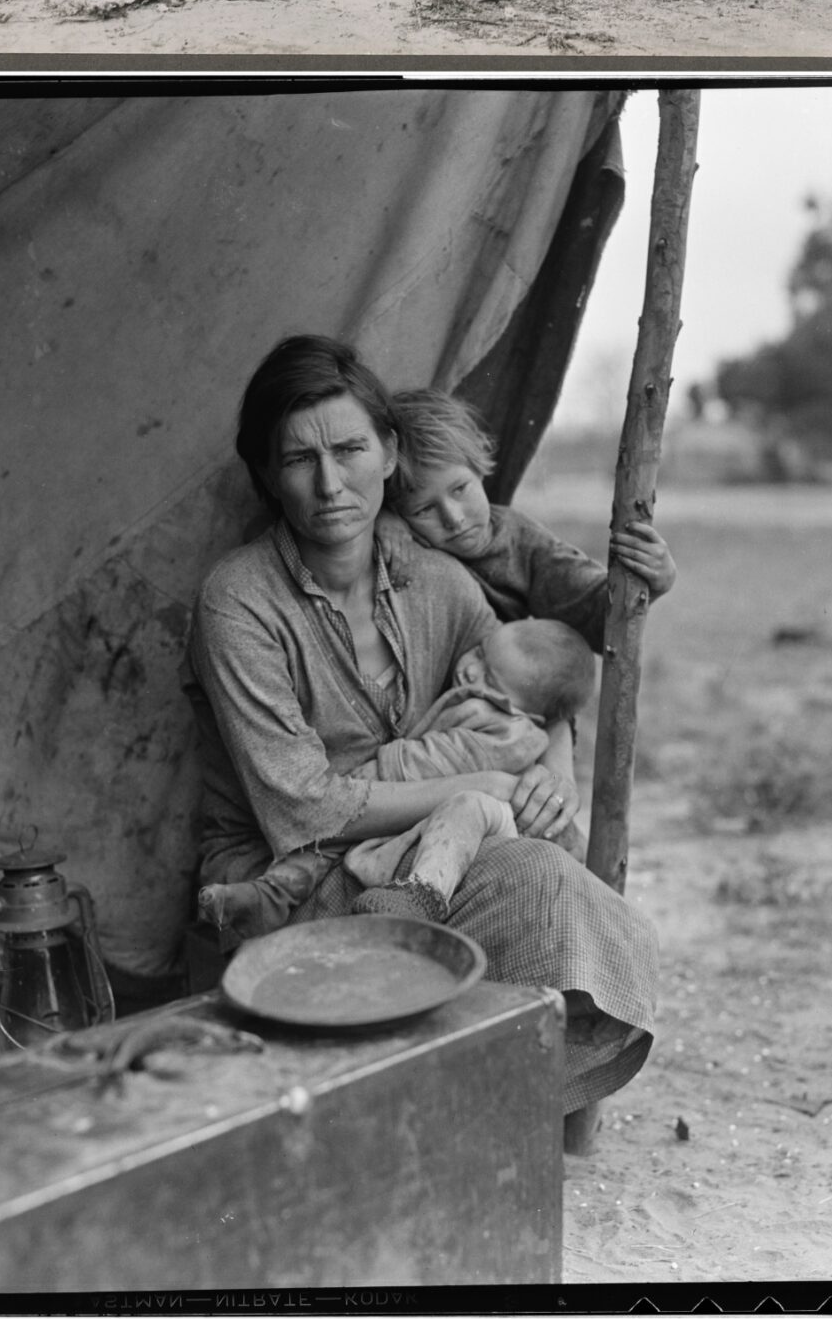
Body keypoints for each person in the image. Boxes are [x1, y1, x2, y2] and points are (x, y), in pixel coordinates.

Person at [185, 336, 659, 1123]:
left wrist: (551, 771)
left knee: (551, 873)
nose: (331, 483)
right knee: (533, 879)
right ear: (267, 475)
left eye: (350, 449)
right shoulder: (238, 602)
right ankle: (436, 1107)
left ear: (389, 453)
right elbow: (301, 809)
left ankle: (466, 1110)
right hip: (289, 874)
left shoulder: (438, 579)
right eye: (299, 460)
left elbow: (533, 689)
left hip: (424, 863)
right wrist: (486, 786)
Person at [193, 615, 599, 941]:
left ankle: (421, 897)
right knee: (321, 850)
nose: (470, 669)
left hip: (449, 813)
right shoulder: (484, 698)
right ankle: (269, 896)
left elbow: (440, 759)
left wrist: (380, 771)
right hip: (421, 807)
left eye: (489, 679)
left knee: (346, 840)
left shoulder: (510, 734)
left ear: (529, 711)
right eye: (478, 652)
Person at [387, 387, 678, 638]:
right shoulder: (394, 538)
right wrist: (381, 522)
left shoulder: (520, 539)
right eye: (424, 509)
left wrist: (652, 582)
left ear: (478, 470)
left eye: (460, 489)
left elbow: (591, 607)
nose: (453, 518)